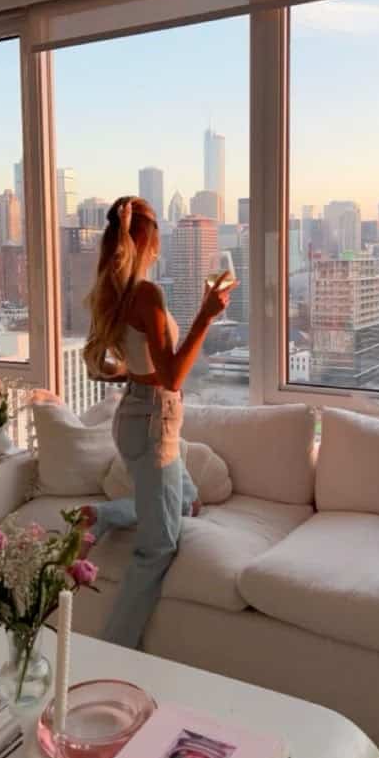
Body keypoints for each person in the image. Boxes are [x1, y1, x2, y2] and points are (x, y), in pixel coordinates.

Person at [81, 195, 237, 648]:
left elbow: (125, 364)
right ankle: (113, 651)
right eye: (158, 230)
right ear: (146, 236)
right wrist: (205, 318)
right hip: (153, 423)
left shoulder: (114, 292)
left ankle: (104, 514)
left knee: (186, 499)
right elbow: (171, 377)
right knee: (158, 547)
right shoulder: (147, 294)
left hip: (135, 414)